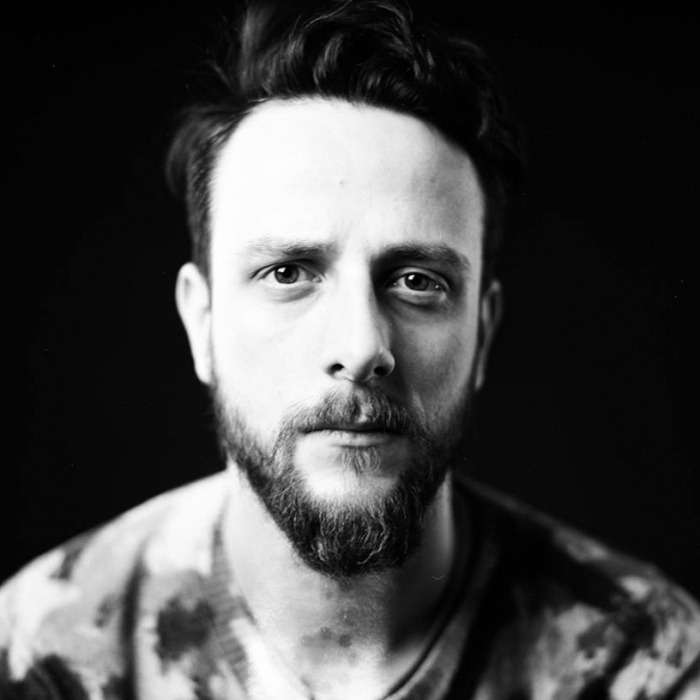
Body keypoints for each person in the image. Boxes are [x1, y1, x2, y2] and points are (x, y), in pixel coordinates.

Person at [4, 1, 699, 698]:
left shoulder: (648, 662)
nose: (361, 346)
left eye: (417, 282)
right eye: (287, 274)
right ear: (200, 322)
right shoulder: (39, 654)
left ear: (483, 334)